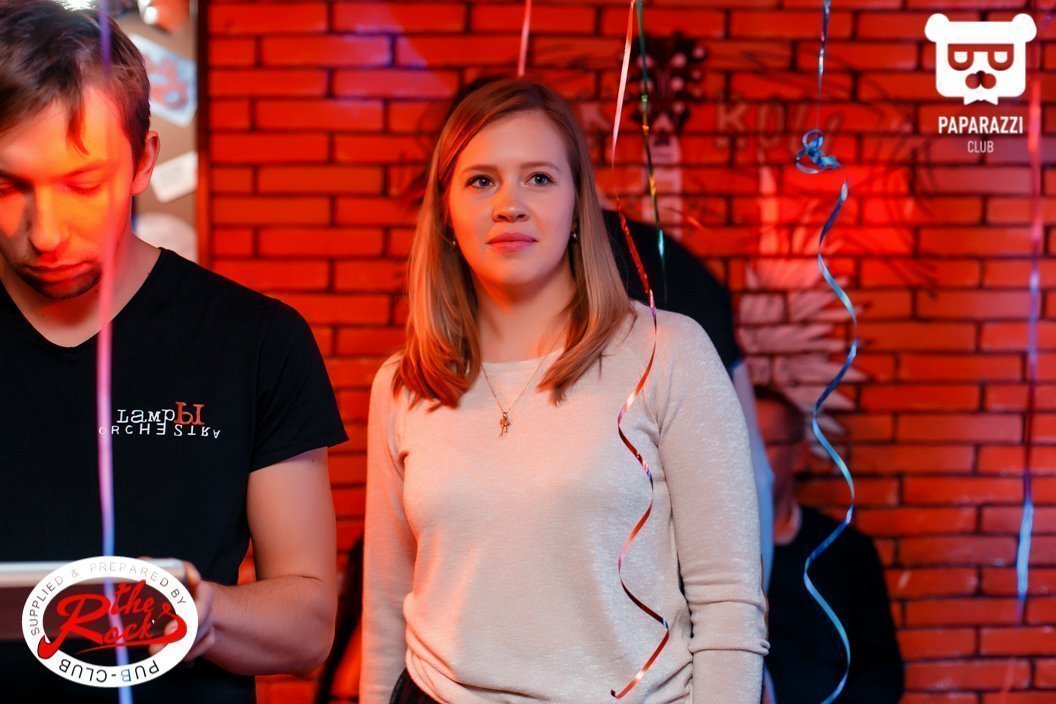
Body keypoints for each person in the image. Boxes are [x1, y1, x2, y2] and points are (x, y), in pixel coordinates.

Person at [361, 77, 768, 704]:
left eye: (539, 178)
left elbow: (730, 603)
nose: (510, 205)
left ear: (579, 206)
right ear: (445, 212)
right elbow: (387, 608)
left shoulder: (667, 353)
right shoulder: (405, 382)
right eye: (481, 180)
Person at [0, 2, 347, 702]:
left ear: (144, 162)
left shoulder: (256, 340)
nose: (45, 234)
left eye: (82, 184)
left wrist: (198, 612)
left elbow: (309, 627)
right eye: (8, 186)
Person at [755, 386, 904, 704]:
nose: (748, 456)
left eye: (763, 443)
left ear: (799, 456)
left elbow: (881, 672)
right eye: (738, 441)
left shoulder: (843, 550)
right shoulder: (694, 553)